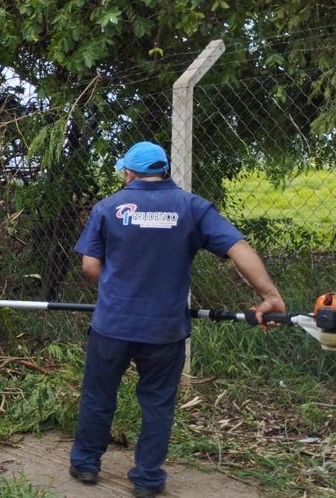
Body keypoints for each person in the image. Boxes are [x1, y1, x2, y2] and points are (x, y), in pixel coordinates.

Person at [68, 142, 285, 498]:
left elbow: (90, 266)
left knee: (98, 394)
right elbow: (238, 247)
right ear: (163, 170)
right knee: (156, 403)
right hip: (165, 329)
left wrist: (116, 283)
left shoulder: (108, 207)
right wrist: (269, 296)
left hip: (113, 324)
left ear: (128, 173)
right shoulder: (192, 207)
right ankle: (147, 478)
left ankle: (86, 463)